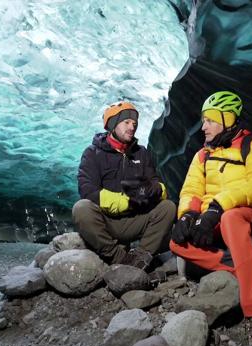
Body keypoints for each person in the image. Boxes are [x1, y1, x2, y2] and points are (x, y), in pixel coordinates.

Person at [169, 91, 252, 346]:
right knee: (176, 242)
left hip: (248, 216)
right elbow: (191, 190)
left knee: (232, 218)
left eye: (210, 120)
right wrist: (187, 216)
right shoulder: (203, 155)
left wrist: (217, 208)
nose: (204, 127)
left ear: (228, 119)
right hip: (213, 219)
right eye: (203, 121)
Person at [72, 101, 176, 270]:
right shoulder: (92, 153)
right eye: (126, 122)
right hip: (106, 221)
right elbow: (87, 190)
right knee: (81, 208)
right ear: (112, 124)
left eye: (134, 123)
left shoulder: (141, 152)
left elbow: (156, 182)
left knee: (168, 207)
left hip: (134, 220)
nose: (132, 127)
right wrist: (126, 202)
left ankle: (141, 256)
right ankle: (118, 257)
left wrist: (155, 190)